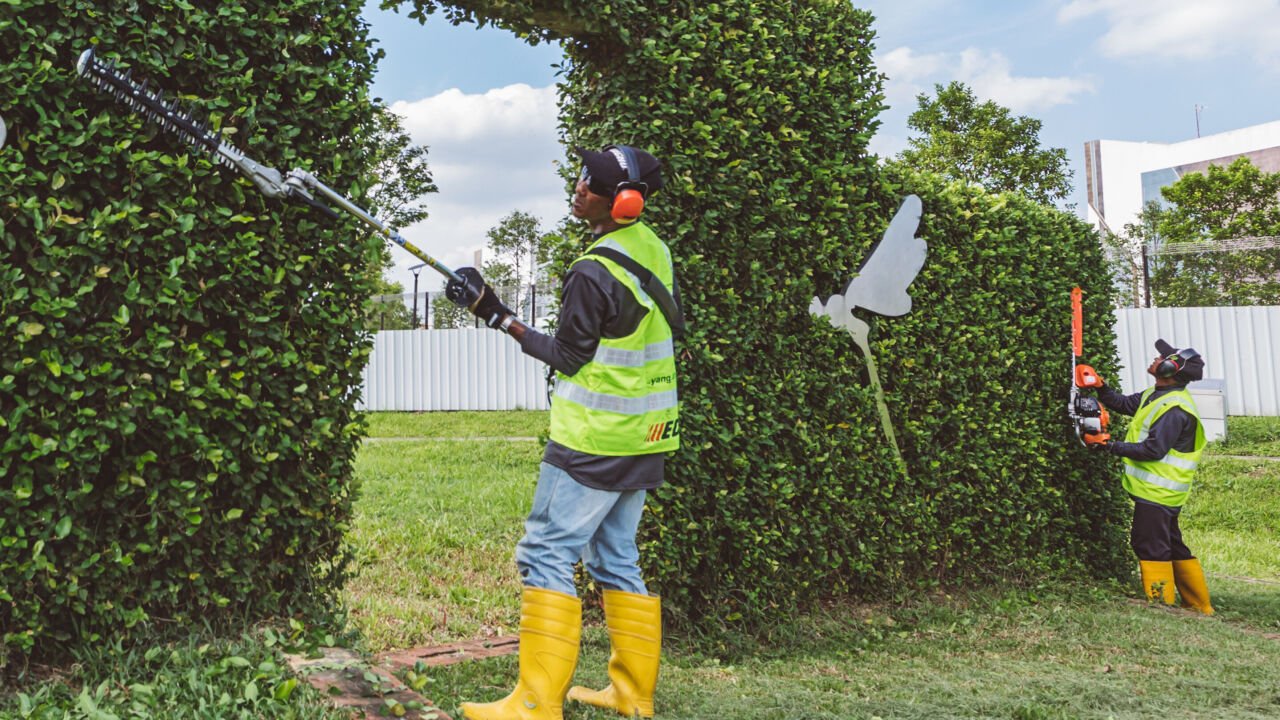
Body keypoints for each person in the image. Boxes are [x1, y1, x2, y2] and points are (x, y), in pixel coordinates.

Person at [445, 144, 681, 720]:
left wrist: (496, 314)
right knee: (616, 552)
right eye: (580, 176)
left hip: (593, 440)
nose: (578, 188)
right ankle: (633, 695)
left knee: (547, 551)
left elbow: (570, 357)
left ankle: (535, 701)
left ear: (623, 200)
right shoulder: (651, 249)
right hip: (645, 437)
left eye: (590, 183)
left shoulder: (592, 270)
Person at [1080, 339, 1213, 615]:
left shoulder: (1174, 410)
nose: (1155, 359)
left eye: (1162, 358)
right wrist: (1100, 386)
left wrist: (1108, 445)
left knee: (1148, 542)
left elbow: (1153, 449)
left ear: (1169, 369)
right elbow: (1124, 403)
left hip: (1159, 490)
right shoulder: (1155, 396)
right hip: (1157, 490)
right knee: (1172, 544)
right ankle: (1199, 605)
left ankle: (1161, 604)